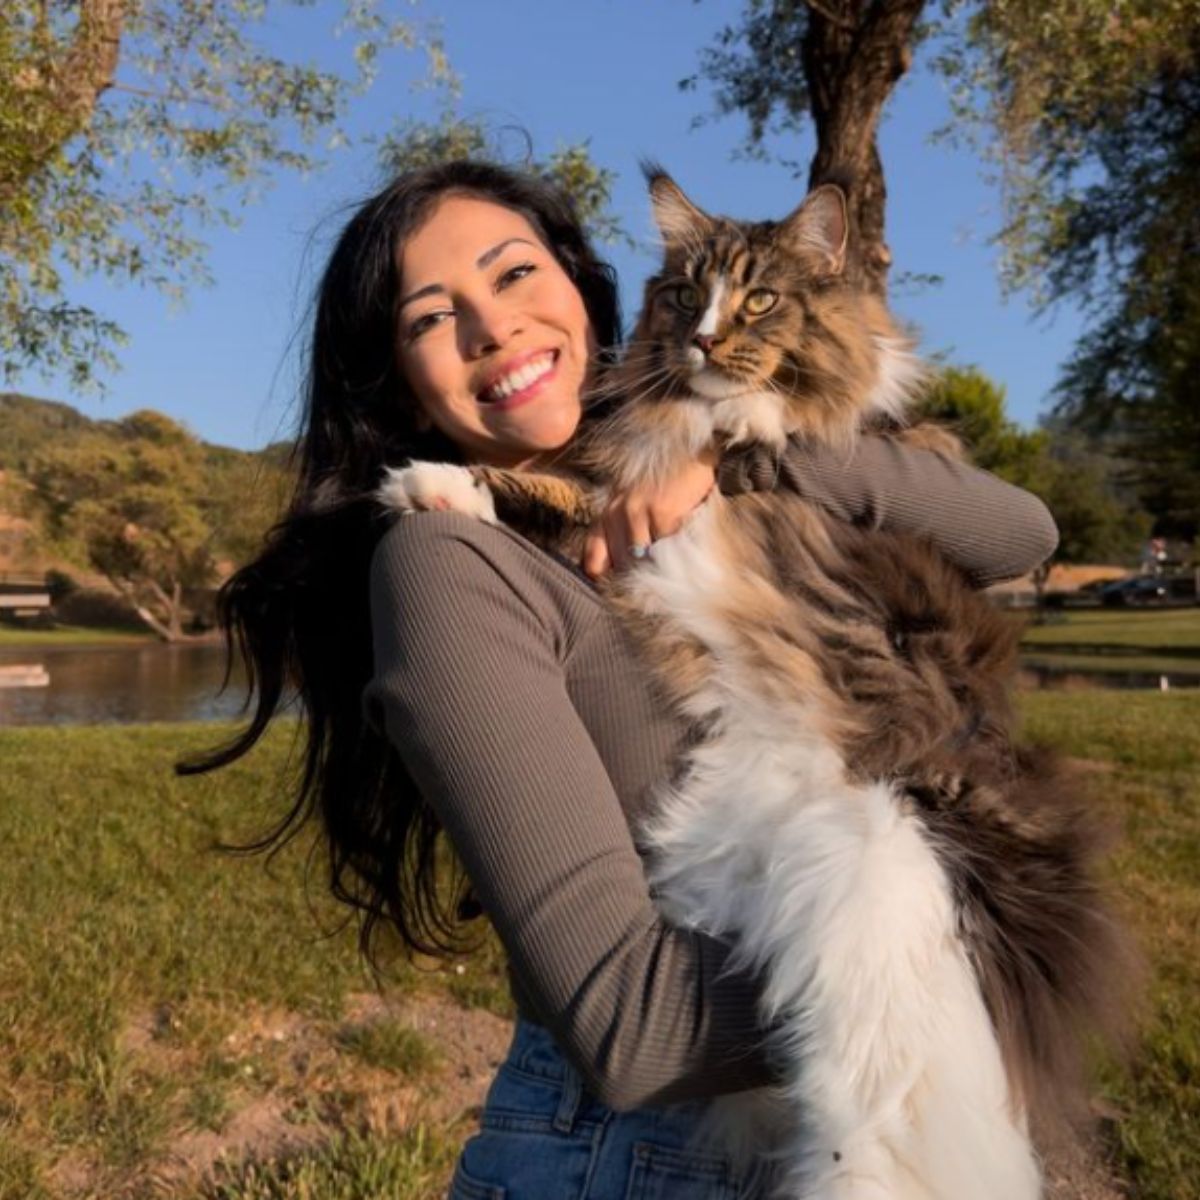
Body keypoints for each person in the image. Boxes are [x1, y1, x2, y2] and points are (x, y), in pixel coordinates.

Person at [187, 160, 1059, 1199]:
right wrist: (963, 967)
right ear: (397, 375)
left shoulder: (677, 474)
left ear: (580, 283)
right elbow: (630, 1030)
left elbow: (1018, 533)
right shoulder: (448, 558)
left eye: (513, 274)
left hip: (835, 1100)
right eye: (431, 317)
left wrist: (751, 460)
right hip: (639, 1157)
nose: (493, 327)